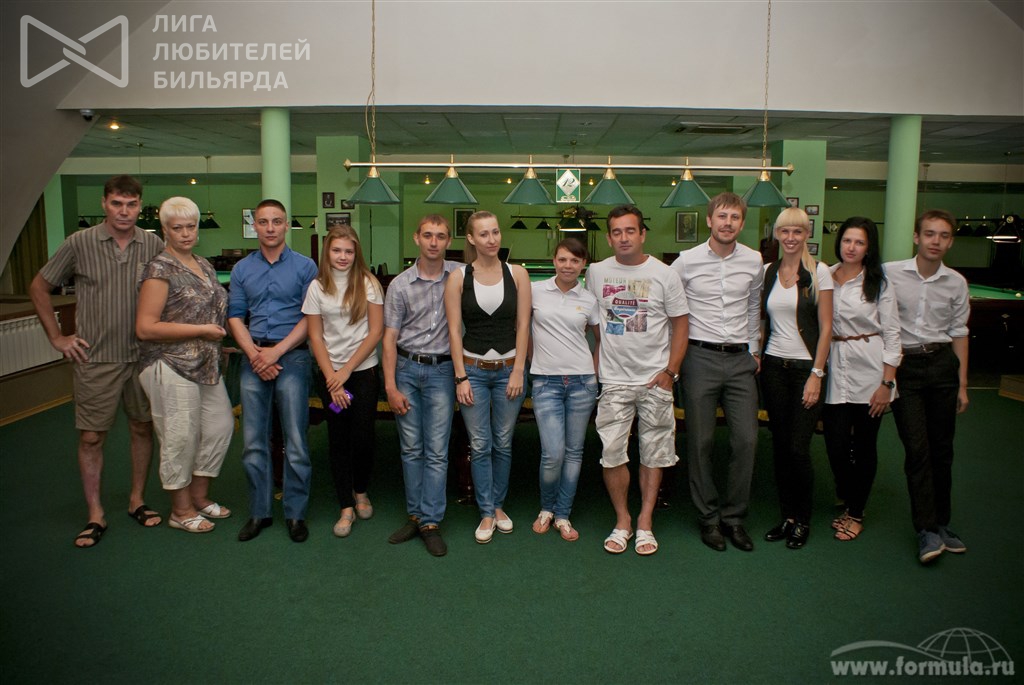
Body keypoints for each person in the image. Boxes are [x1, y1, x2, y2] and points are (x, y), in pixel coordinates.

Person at [29, 175, 164, 548]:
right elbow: (39, 287)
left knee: (142, 428)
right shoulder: (79, 242)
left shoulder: (152, 244)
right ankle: (95, 513)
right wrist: (57, 337)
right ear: (105, 203)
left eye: (131, 204)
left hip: (142, 356)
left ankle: (137, 500)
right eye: (117, 203)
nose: (124, 211)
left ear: (140, 206)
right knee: (91, 436)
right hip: (96, 358)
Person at [586, 205, 688, 556]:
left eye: (630, 230)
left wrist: (670, 372)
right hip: (614, 380)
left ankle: (645, 520)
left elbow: (681, 325)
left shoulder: (665, 274)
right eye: (617, 232)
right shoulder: (596, 272)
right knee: (612, 454)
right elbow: (595, 322)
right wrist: (601, 360)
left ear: (642, 234)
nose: (624, 237)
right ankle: (623, 519)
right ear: (609, 237)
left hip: (654, 380)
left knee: (654, 453)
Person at [136, 197, 234, 534]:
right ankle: (180, 510)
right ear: (165, 230)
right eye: (177, 228)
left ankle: (199, 496)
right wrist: (202, 331)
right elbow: (146, 327)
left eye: (191, 226)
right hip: (169, 363)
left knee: (220, 426)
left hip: (206, 364)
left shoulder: (204, 265)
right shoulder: (159, 268)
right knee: (180, 436)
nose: (186, 233)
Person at [671, 192, 763, 553]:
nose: (728, 223)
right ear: (709, 220)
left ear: (742, 223)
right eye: (722, 216)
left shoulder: (754, 260)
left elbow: (754, 306)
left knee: (746, 440)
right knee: (701, 442)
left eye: (735, 217)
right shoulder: (686, 261)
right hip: (699, 358)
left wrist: (754, 350)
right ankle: (708, 517)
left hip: (740, 360)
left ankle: (734, 517)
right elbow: (672, 311)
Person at [227, 199, 318, 543]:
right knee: (253, 442)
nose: (270, 228)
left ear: (286, 225)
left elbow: (311, 318)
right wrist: (255, 355)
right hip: (253, 357)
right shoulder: (241, 269)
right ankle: (259, 512)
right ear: (255, 226)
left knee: (296, 441)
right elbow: (235, 316)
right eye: (263, 222)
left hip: (292, 356)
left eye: (276, 221)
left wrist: (275, 353)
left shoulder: (305, 266)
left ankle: (295, 513)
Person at [885, 209, 970, 564]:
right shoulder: (891, 273)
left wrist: (962, 385)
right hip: (905, 368)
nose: (936, 241)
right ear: (916, 237)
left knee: (942, 450)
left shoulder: (957, 283)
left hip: (942, 367)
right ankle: (926, 530)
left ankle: (941, 523)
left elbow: (959, 333)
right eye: (930, 234)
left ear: (950, 242)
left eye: (944, 235)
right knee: (917, 449)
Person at [444, 211, 531, 544]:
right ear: (471, 238)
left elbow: (523, 325)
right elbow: (454, 331)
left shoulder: (518, 274)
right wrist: (460, 377)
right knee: (480, 444)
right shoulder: (458, 278)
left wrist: (519, 370)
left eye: (495, 232)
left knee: (503, 442)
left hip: (510, 370)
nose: (492, 239)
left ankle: (498, 506)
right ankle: (485, 511)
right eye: (484, 234)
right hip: (473, 372)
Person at [382, 215, 460, 557]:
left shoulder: (460, 276)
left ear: (448, 241)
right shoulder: (400, 285)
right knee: (411, 448)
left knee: (437, 450)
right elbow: (388, 339)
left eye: (440, 236)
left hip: (442, 370)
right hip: (406, 370)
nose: (433, 242)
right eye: (428, 235)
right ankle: (415, 516)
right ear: (416, 238)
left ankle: (430, 521)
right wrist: (389, 386)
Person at [823, 217, 901, 542]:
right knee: (836, 446)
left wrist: (887, 384)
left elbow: (893, 335)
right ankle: (848, 492)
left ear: (869, 248)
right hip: (834, 368)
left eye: (859, 242)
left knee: (865, 445)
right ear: (839, 242)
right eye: (847, 240)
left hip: (870, 371)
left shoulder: (878, 282)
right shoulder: (825, 275)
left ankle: (855, 513)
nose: (851, 247)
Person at [303, 225, 384, 539]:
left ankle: (360, 490)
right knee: (338, 438)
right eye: (337, 250)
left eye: (349, 251)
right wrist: (332, 380)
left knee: (363, 437)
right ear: (328, 252)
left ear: (356, 253)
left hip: (363, 374)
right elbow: (315, 336)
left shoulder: (368, 283)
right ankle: (345, 506)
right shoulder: (316, 287)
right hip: (330, 377)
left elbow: (375, 332)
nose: (343, 256)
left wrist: (346, 372)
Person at [760, 207, 833, 550]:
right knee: (779, 445)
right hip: (774, 367)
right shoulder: (769, 271)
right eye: (785, 231)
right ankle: (787, 516)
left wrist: (817, 374)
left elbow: (827, 327)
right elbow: (764, 321)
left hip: (807, 370)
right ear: (777, 234)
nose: (791, 238)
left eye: (798, 231)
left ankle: (803, 519)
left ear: (807, 235)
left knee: (798, 448)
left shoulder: (820, 273)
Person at [529, 238, 601, 542]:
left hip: (582, 383)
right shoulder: (535, 291)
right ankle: (546, 508)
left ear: (583, 264)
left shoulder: (589, 299)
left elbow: (601, 339)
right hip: (546, 382)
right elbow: (522, 329)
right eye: (562, 259)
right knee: (552, 453)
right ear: (554, 261)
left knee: (574, 452)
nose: (568, 266)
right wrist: (533, 360)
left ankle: (562, 514)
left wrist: (593, 372)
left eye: (574, 260)